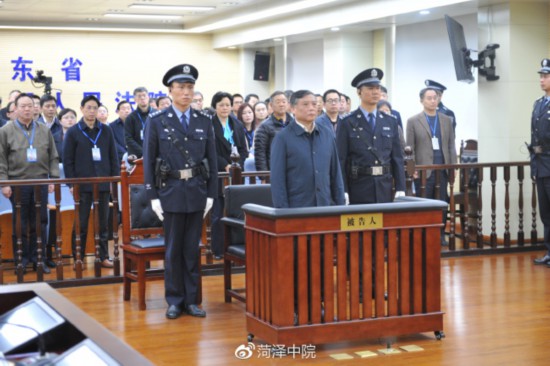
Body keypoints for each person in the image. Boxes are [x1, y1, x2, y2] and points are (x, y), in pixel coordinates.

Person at [143, 63, 217, 320]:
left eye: (190, 87)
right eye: (181, 88)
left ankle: (193, 300)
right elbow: (149, 159)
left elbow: (212, 160)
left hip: (196, 191)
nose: (186, 92)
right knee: (173, 249)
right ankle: (174, 300)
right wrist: (152, 196)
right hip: (170, 191)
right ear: (170, 91)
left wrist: (211, 194)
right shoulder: (157, 120)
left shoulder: (203, 120)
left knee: (192, 249)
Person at [0, 93, 59, 274]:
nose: (27, 109)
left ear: (36, 108)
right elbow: (1, 159)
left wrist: (53, 179)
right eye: (23, 106)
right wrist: (4, 183)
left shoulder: (43, 129)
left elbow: (53, 156)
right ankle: (21, 260)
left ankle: (37, 259)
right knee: (21, 223)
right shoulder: (6, 130)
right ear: (15, 109)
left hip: (40, 182)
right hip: (18, 184)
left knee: (40, 222)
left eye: (30, 106)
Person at [63, 95, 119, 268]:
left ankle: (102, 256)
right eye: (88, 107)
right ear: (81, 109)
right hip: (82, 185)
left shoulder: (106, 130)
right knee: (81, 223)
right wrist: (72, 184)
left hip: (102, 184)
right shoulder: (73, 132)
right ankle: (78, 257)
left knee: (103, 223)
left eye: (95, 108)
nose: (92, 111)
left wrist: (113, 180)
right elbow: (68, 161)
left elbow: (113, 156)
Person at [336, 68, 405, 205]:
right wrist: (343, 190)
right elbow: (341, 159)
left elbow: (397, 157)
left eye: (378, 88)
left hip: (384, 186)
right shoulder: (348, 122)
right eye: (370, 88)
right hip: (358, 185)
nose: (375, 92)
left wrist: (400, 186)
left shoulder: (390, 121)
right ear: (359, 92)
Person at [270, 90, 345, 208]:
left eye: (314, 104)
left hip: (326, 206)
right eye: (305, 104)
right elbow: (277, 181)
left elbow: (336, 174)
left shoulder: (327, 134)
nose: (311, 108)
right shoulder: (282, 138)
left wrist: (340, 206)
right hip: (297, 209)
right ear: (293, 109)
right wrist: (283, 213)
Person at [406, 86, 457, 245]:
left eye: (435, 97)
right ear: (422, 100)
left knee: (442, 203)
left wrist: (453, 167)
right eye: (429, 98)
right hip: (423, 171)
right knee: (424, 203)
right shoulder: (413, 121)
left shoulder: (446, 119)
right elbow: (409, 148)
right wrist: (411, 169)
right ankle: (422, 235)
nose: (433, 100)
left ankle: (440, 235)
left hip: (441, 170)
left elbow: (451, 145)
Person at [210, 91, 248, 260]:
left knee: (236, 211)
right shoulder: (209, 124)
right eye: (221, 105)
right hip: (218, 173)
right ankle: (218, 249)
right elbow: (209, 150)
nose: (225, 108)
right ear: (215, 107)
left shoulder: (236, 123)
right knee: (219, 212)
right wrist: (224, 164)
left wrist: (238, 163)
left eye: (227, 104)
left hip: (236, 172)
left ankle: (235, 247)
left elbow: (243, 149)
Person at [531, 59, 550, 266]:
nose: (542, 80)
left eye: (545, 76)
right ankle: (549, 251)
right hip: (541, 166)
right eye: (541, 76)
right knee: (546, 214)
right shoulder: (539, 103)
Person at [254, 90, 295, 173]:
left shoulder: (295, 123)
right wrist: (264, 176)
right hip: (274, 170)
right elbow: (260, 153)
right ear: (271, 105)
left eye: (284, 102)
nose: (281, 104)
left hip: (294, 170)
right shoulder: (264, 126)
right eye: (278, 102)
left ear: (288, 104)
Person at [124, 87, 155, 159]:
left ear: (148, 97)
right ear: (135, 99)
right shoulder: (130, 117)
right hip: (137, 155)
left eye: (144, 95)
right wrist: (143, 152)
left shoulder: (156, 114)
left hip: (155, 153)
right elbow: (128, 138)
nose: (142, 98)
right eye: (139, 96)